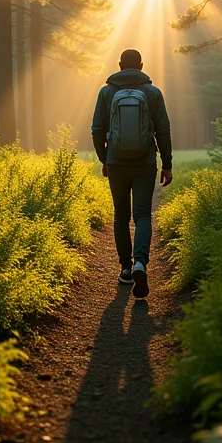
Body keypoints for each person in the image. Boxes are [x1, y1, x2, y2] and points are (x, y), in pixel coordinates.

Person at [91, 49, 173, 299]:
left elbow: (96, 130)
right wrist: (167, 164)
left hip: (116, 163)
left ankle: (126, 269)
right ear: (141, 65)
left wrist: (105, 159)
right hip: (145, 162)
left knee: (121, 216)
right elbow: (163, 131)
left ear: (119, 65)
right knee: (142, 215)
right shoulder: (153, 92)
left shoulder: (106, 92)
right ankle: (140, 263)